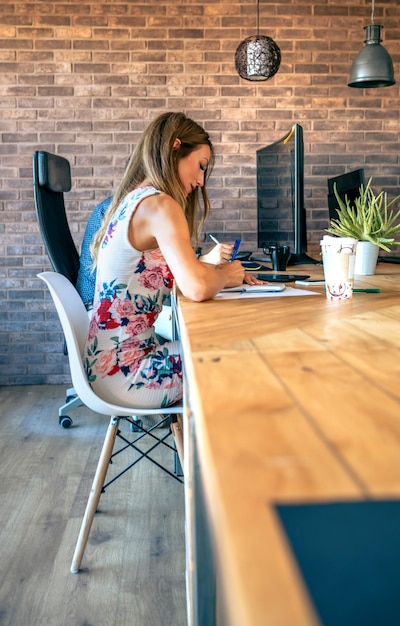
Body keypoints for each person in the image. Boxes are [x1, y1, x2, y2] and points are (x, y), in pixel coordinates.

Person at [84, 111, 264, 409]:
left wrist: (214, 272)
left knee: (236, 346)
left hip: (107, 368)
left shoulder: (135, 199)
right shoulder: (160, 205)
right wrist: (227, 276)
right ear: (175, 148)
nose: (201, 180)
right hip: (128, 375)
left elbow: (176, 276)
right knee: (254, 356)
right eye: (201, 166)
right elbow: (194, 287)